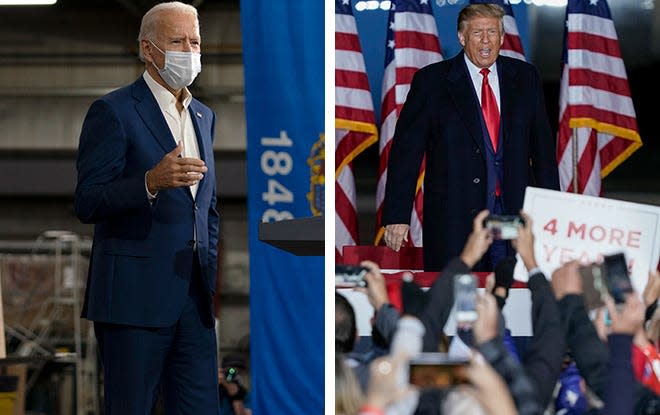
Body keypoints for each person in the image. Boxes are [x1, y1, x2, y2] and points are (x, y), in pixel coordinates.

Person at [74, 2, 219, 413]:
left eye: (195, 41)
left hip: (194, 301)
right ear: (147, 49)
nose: (189, 51)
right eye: (177, 41)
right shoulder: (113, 111)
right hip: (132, 303)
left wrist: (208, 271)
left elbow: (207, 210)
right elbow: (87, 201)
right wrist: (149, 182)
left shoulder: (203, 115)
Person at [382, 3, 559, 272]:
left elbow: (543, 151)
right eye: (477, 33)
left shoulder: (525, 78)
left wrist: (551, 213)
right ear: (462, 38)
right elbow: (406, 153)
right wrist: (396, 215)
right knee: (457, 301)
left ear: (502, 38)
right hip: (454, 221)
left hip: (514, 219)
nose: (486, 40)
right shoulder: (432, 82)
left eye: (492, 32)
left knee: (513, 299)